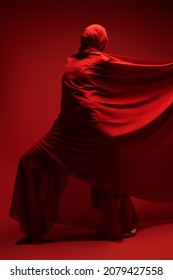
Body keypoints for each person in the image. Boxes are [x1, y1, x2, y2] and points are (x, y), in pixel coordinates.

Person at [10, 24, 173, 244]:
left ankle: (124, 223)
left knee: (108, 176)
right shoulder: (84, 62)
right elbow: (138, 73)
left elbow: (136, 75)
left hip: (96, 132)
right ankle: (35, 228)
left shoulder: (95, 62)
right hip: (66, 132)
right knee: (30, 162)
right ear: (99, 41)